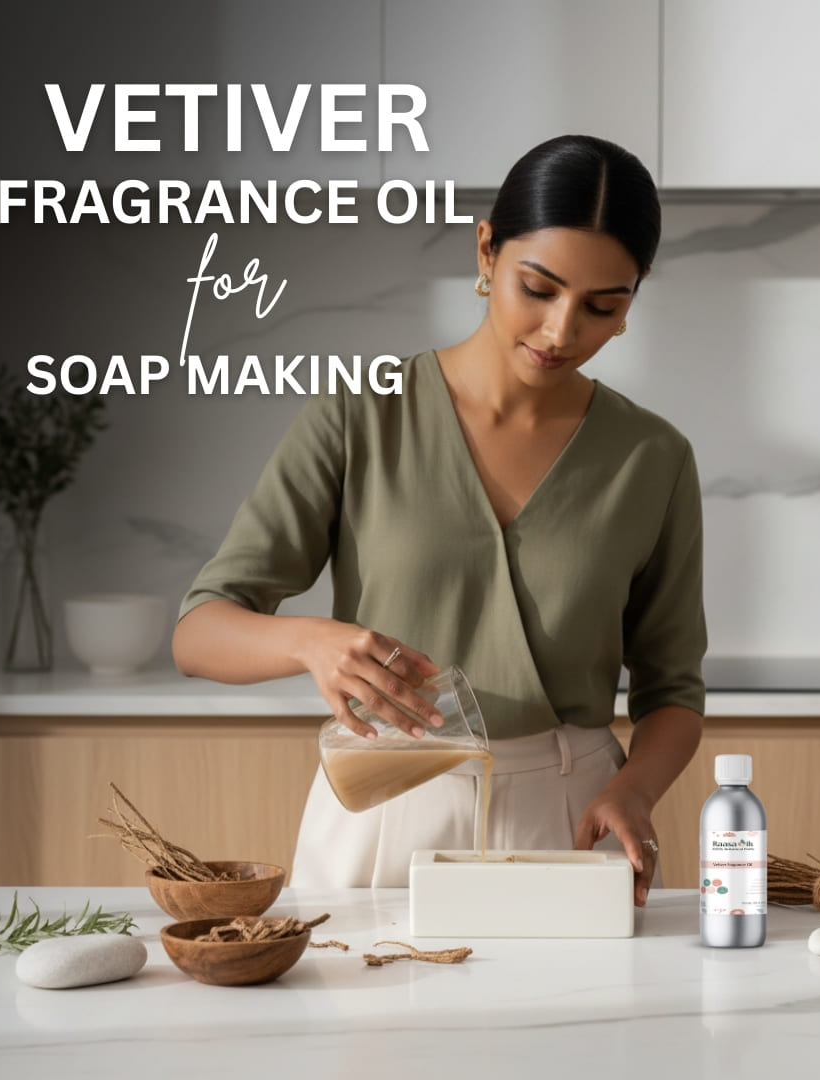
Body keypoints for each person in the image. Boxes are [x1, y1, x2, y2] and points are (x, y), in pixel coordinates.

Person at [172, 134, 706, 907]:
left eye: (601, 306)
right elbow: (199, 631)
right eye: (539, 287)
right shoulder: (360, 415)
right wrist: (309, 641)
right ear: (487, 252)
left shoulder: (653, 458)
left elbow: (674, 692)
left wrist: (636, 790)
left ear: (635, 296)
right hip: (382, 814)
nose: (561, 331)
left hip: (570, 822)